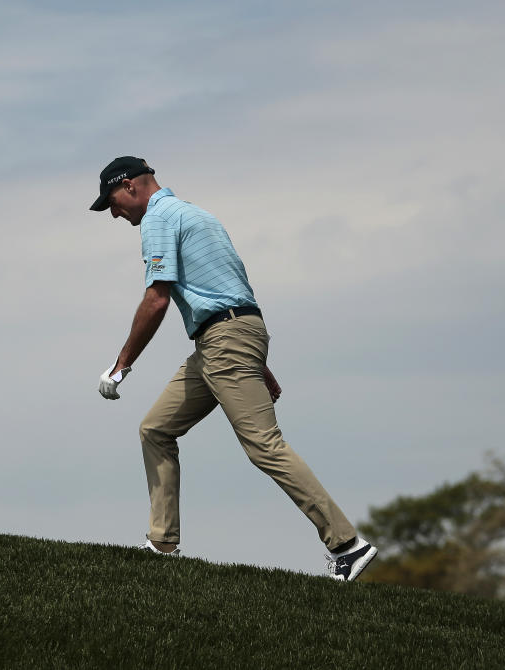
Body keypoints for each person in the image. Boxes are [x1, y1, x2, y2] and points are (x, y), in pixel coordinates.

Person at [90, 156, 377, 581]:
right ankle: (162, 543)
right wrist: (257, 360)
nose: (113, 212)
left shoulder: (157, 218)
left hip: (225, 341)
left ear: (129, 186)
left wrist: (121, 365)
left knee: (264, 444)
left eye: (112, 201)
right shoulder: (197, 214)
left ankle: (347, 544)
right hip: (225, 340)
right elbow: (233, 289)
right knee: (156, 428)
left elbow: (157, 298)